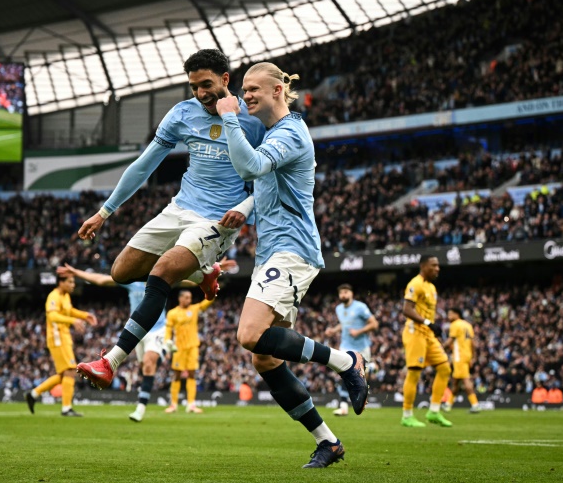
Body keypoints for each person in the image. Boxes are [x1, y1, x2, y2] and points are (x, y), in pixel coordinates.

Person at [76, 49, 265, 389]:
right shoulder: (183, 113)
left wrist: (247, 207)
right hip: (179, 208)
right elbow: (144, 164)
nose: (200, 93)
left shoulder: (252, 120)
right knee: (121, 272)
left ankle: (111, 361)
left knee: (161, 273)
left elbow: (269, 179)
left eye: (206, 84)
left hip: (218, 220)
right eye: (194, 87)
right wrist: (104, 212)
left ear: (225, 79)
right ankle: (205, 271)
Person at [215, 62, 368, 469]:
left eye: (253, 89)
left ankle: (346, 361)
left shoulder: (291, 132)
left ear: (278, 91)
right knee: (264, 358)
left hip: (292, 250)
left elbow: (249, 167)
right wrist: (245, 207)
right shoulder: (271, 136)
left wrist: (229, 118)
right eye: (243, 90)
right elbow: (264, 181)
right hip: (275, 251)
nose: (245, 95)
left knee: (249, 334)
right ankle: (328, 442)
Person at [59, 259, 234, 422]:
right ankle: (164, 352)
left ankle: (141, 408)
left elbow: (191, 279)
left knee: (150, 363)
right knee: (145, 368)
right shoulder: (131, 282)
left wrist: (212, 270)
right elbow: (101, 279)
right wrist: (75, 272)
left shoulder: (162, 278)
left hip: (158, 329)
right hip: (137, 331)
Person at [25, 272, 97, 417]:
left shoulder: (65, 296)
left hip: (64, 338)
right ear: (61, 282)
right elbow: (52, 316)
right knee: (70, 371)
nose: (73, 285)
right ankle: (66, 408)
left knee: (64, 374)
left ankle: (33, 394)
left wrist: (84, 315)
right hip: (57, 338)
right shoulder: (54, 296)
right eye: (70, 282)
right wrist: (73, 321)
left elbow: (69, 311)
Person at [400, 255, 452, 427]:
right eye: (434, 265)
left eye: (438, 265)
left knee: (445, 368)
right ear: (423, 266)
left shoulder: (431, 287)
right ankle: (407, 415)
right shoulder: (415, 283)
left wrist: (431, 326)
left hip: (428, 335)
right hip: (416, 333)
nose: (437, 268)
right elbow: (406, 309)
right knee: (414, 373)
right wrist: (428, 323)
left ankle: (434, 411)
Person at [324, 284, 378, 416]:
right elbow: (344, 324)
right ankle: (343, 406)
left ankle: (371, 368)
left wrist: (359, 331)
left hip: (362, 347)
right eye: (341, 292)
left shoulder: (360, 307)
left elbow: (374, 324)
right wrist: (334, 330)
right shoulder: (339, 309)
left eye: (346, 292)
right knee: (344, 372)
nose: (343, 295)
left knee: (362, 375)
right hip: (346, 346)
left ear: (352, 293)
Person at [164, 290, 213, 414]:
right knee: (177, 375)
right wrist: (167, 343)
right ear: (180, 298)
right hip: (178, 348)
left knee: (192, 374)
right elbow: (168, 331)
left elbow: (206, 303)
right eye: (186, 297)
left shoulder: (194, 309)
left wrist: (212, 292)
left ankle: (191, 404)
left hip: (192, 347)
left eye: (190, 297)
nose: (189, 300)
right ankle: (173, 404)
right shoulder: (172, 313)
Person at [441, 307, 480, 413]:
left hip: (459, 357)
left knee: (465, 380)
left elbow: (450, 341)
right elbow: (472, 343)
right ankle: (448, 405)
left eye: (450, 314)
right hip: (466, 355)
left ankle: (475, 404)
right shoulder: (468, 325)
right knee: (456, 382)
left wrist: (439, 349)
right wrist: (473, 357)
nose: (449, 316)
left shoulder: (455, 325)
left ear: (457, 314)